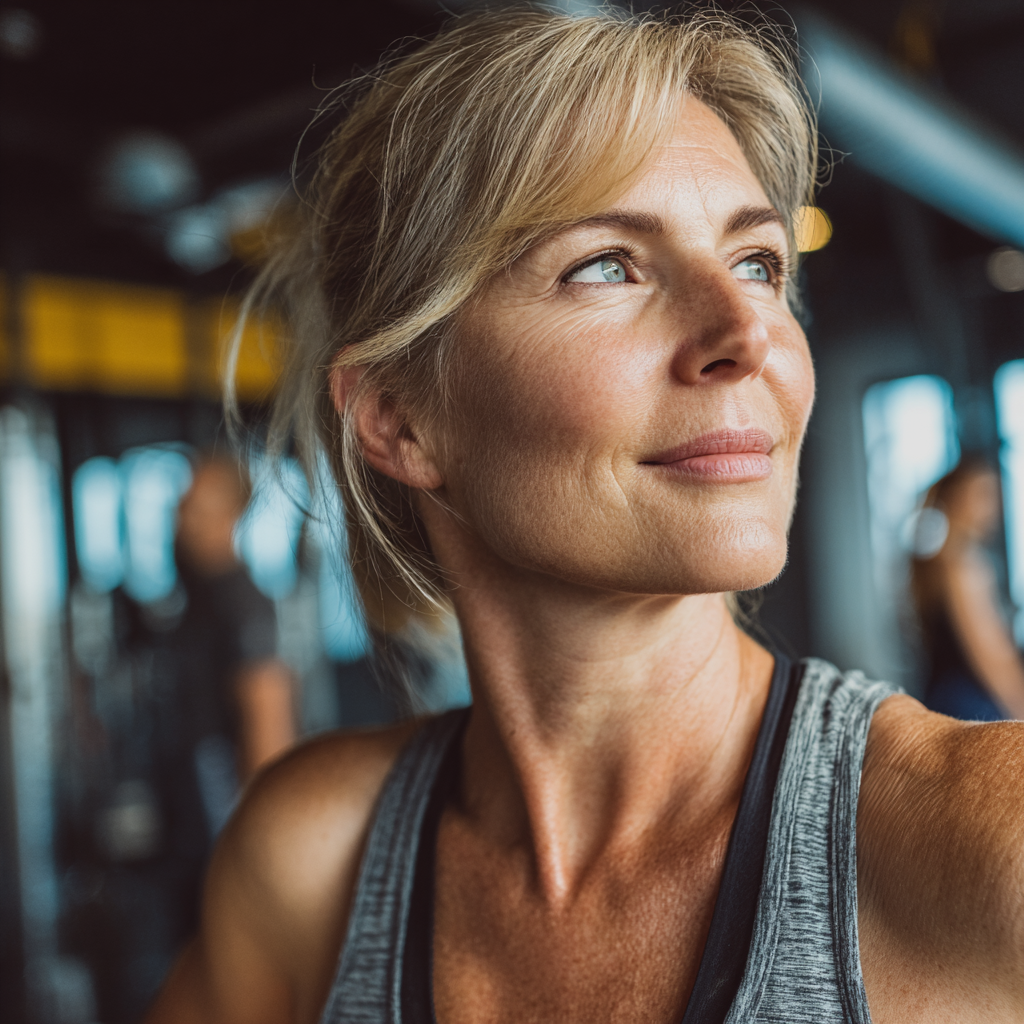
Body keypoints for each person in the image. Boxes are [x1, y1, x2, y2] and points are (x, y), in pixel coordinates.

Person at [147, 10, 1024, 1023]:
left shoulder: (982, 843)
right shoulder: (313, 860)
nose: (748, 331)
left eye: (758, 263)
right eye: (605, 264)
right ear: (401, 421)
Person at [911, 459, 1024, 721]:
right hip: (972, 705)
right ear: (955, 499)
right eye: (982, 494)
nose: (992, 507)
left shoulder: (934, 562)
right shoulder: (964, 565)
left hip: (943, 701)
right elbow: (992, 659)